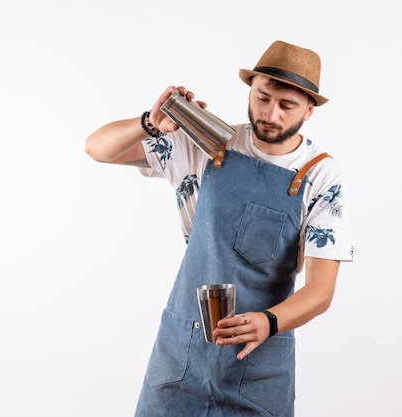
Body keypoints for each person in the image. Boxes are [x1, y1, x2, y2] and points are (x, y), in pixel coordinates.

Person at [85, 40, 354, 417]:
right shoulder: (209, 141)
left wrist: (269, 321)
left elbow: (321, 290)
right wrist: (151, 121)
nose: (271, 114)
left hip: (258, 365)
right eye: (263, 98)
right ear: (251, 89)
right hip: (182, 353)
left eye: (286, 106)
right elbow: (98, 148)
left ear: (309, 111)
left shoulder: (321, 178)